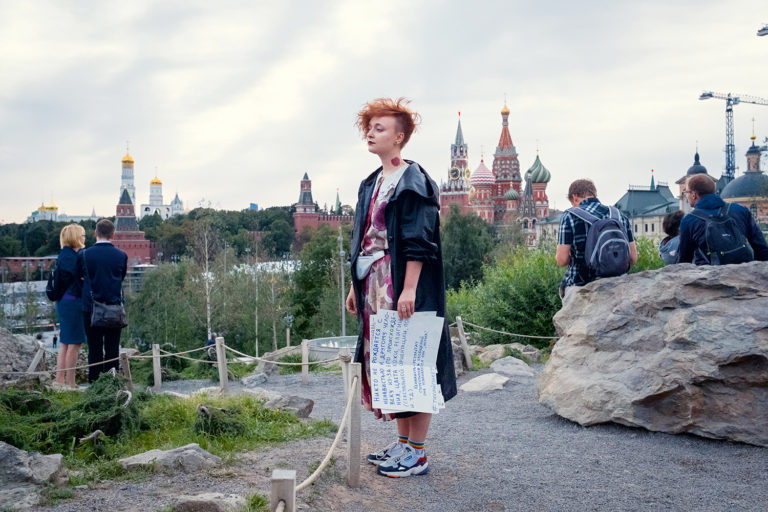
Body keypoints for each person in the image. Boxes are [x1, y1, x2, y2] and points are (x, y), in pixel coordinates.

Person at [345, 97, 457, 478]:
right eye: (369, 128)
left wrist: (409, 289)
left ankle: (418, 453)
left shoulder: (414, 181)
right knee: (390, 363)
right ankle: (404, 444)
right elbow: (363, 238)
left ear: (400, 136)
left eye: (380, 128)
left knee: (413, 362)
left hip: (401, 283)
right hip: (374, 283)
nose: (371, 134)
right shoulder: (373, 181)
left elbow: (418, 241)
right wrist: (354, 288)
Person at [556, 179, 638, 298]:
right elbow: (633, 258)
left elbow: (562, 260)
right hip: (617, 286)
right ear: (594, 194)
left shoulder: (570, 215)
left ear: (574, 197)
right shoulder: (619, 216)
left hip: (581, 287)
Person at [677, 174, 768, 264]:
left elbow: (684, 260)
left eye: (687, 192)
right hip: (744, 272)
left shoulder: (689, 220)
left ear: (693, 194)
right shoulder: (740, 210)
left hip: (708, 276)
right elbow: (761, 248)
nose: (686, 196)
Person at [78, 219, 128, 383]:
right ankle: (111, 384)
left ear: (95, 233)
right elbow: (121, 278)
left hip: (91, 308)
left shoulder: (84, 255)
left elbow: (79, 277)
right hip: (114, 308)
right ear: (113, 234)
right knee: (112, 349)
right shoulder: (121, 256)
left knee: (94, 348)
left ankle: (95, 385)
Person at [54, 224, 87, 388]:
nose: (84, 238)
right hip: (72, 302)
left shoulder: (64, 254)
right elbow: (80, 278)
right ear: (75, 237)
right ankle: (70, 383)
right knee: (74, 343)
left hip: (65, 301)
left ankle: (60, 381)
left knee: (66, 343)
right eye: (82, 235)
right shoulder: (72, 257)